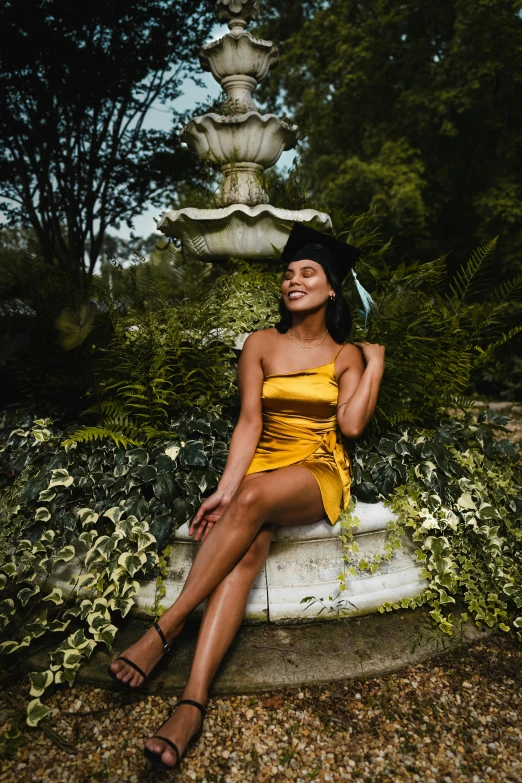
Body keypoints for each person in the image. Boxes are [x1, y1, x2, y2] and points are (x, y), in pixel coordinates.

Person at [108, 222, 386, 770]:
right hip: (263, 470)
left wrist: (375, 362)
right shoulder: (259, 344)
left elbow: (351, 426)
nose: (293, 280)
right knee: (246, 556)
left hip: (316, 468)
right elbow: (248, 425)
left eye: (308, 272)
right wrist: (225, 490)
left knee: (256, 500)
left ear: (332, 288)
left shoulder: (348, 354)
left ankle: (166, 627)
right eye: (288, 273)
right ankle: (191, 704)